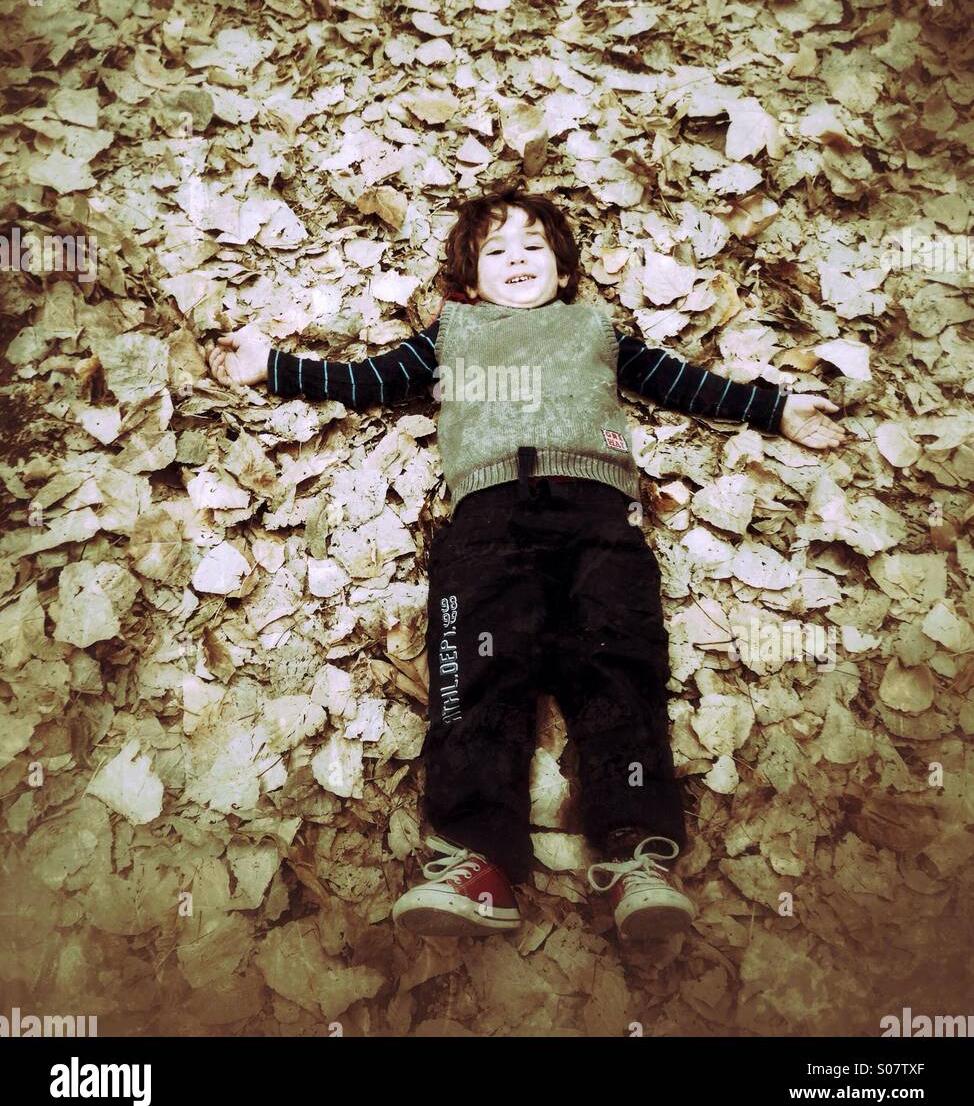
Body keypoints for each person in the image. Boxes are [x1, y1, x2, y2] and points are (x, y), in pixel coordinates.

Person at [208, 187, 847, 941]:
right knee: (476, 676)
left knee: (619, 667)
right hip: (487, 519)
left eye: (533, 246)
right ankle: (480, 860)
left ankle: (637, 855)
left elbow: (682, 381)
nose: (517, 259)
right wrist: (273, 366)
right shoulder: (454, 332)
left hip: (597, 519)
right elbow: (366, 379)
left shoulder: (595, 328)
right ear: (471, 281)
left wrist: (774, 409)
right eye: (497, 251)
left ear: (565, 271)